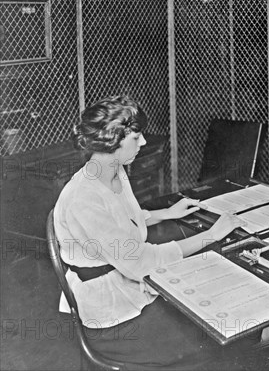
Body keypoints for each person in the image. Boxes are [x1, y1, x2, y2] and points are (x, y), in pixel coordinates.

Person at [53, 95, 246, 370]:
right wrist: (211, 235)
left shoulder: (113, 171)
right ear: (112, 140)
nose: (143, 142)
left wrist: (167, 213)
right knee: (215, 341)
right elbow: (140, 263)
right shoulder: (84, 198)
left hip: (128, 293)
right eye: (136, 136)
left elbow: (122, 223)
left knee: (212, 316)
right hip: (111, 320)